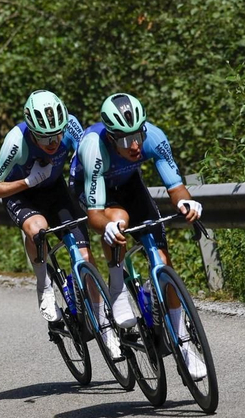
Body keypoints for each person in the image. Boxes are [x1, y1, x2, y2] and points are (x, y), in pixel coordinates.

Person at [77, 92, 207, 379]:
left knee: (161, 258)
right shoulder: (93, 148)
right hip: (94, 192)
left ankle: (184, 345)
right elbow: (95, 214)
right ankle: (117, 286)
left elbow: (175, 186)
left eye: (137, 135)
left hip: (129, 184)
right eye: (125, 140)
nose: (134, 145)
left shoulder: (154, 137)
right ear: (111, 138)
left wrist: (185, 201)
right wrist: (106, 227)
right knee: (118, 221)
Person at [0, 89, 89, 324]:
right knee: (38, 230)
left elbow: (86, 155)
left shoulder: (70, 124)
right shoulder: (16, 141)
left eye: (56, 135)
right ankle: (44, 286)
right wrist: (29, 181)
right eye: (43, 137)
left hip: (55, 188)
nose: (52, 142)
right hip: (22, 194)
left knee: (84, 254)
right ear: (31, 131)